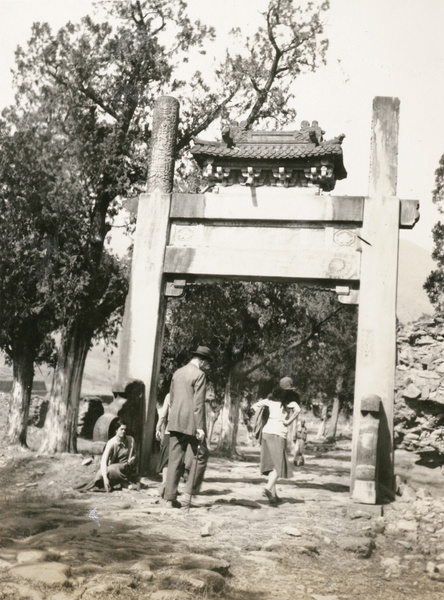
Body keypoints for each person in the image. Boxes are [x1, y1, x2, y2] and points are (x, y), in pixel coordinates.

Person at [164, 346, 213, 509]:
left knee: (175, 459)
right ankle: (189, 493)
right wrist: (200, 427)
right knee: (202, 454)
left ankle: (170, 498)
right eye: (207, 363)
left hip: (175, 422)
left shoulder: (177, 373)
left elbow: (171, 399)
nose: (206, 366)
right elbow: (198, 404)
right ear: (203, 361)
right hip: (191, 423)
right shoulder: (199, 375)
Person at [252, 377, 300, 506]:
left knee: (271, 465)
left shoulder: (270, 401)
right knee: (280, 465)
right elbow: (298, 410)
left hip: (266, 432)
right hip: (278, 434)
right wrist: (288, 421)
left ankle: (273, 497)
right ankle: (268, 488)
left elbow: (255, 406)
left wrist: (265, 415)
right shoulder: (290, 402)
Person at [76, 419, 137, 492]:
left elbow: (135, 453)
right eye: (121, 429)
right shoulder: (111, 443)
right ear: (116, 430)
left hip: (127, 468)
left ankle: (123, 483)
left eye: (125, 429)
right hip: (115, 469)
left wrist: (133, 459)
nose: (123, 431)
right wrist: (105, 478)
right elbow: (104, 460)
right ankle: (119, 483)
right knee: (102, 473)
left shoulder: (131, 440)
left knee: (109, 470)